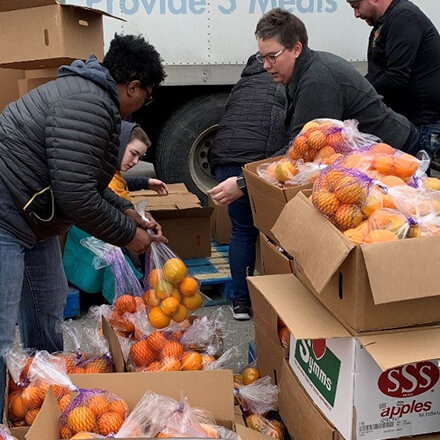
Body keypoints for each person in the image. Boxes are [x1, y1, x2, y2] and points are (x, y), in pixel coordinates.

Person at [0, 34, 166, 411]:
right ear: (134, 86)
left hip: (34, 217)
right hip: (6, 214)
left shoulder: (95, 100)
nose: (143, 104)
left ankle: (41, 399)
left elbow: (87, 182)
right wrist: (128, 236)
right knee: (1, 326)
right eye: (147, 95)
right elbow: (77, 196)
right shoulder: (88, 104)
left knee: (47, 311)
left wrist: (129, 212)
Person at [254, 8, 424, 159]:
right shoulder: (301, 70)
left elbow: (301, 149)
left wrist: (244, 181)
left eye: (272, 57)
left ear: (296, 49)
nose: (266, 65)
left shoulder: (318, 81)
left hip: (399, 152)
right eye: (262, 57)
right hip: (377, 153)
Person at [208, 55, 288, 320]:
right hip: (258, 163)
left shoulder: (242, 85)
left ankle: (241, 303)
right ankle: (280, 301)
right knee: (276, 233)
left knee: (241, 231)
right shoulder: (284, 82)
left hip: (225, 161)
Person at [63, 121, 168, 303]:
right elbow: (107, 201)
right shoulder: (100, 174)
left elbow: (118, 188)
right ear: (117, 146)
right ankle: (129, 297)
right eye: (133, 154)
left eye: (140, 157)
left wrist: (145, 182)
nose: (135, 162)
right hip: (93, 231)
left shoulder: (111, 171)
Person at [348, 0, 440, 158]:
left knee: (413, 180)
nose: (356, 14)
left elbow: (395, 78)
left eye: (356, 6)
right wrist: (353, 90)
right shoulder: (385, 22)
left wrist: (357, 97)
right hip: (406, 122)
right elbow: (377, 75)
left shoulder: (404, 17)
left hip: (421, 124)